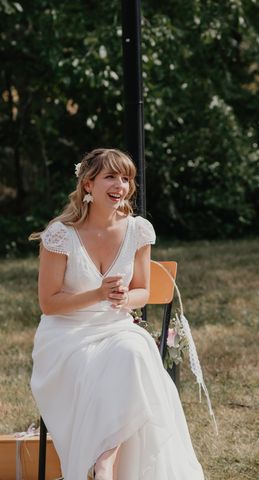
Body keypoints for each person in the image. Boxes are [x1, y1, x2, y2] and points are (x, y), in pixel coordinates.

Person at [29, 148, 204, 480]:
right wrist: (97, 293)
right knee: (112, 366)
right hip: (66, 337)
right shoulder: (59, 234)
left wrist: (125, 299)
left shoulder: (138, 230)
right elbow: (49, 304)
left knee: (134, 351)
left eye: (126, 178)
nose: (121, 185)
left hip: (115, 327)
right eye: (111, 176)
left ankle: (104, 465)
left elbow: (143, 291)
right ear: (88, 184)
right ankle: (98, 464)